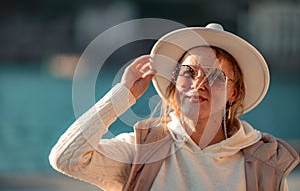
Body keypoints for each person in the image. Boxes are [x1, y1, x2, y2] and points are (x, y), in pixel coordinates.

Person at [49, 23, 299, 191]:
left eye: (215, 76)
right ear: (175, 83)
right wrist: (122, 95)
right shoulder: (143, 151)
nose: (198, 84)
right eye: (188, 72)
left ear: (233, 93)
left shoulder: (264, 164)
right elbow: (67, 158)